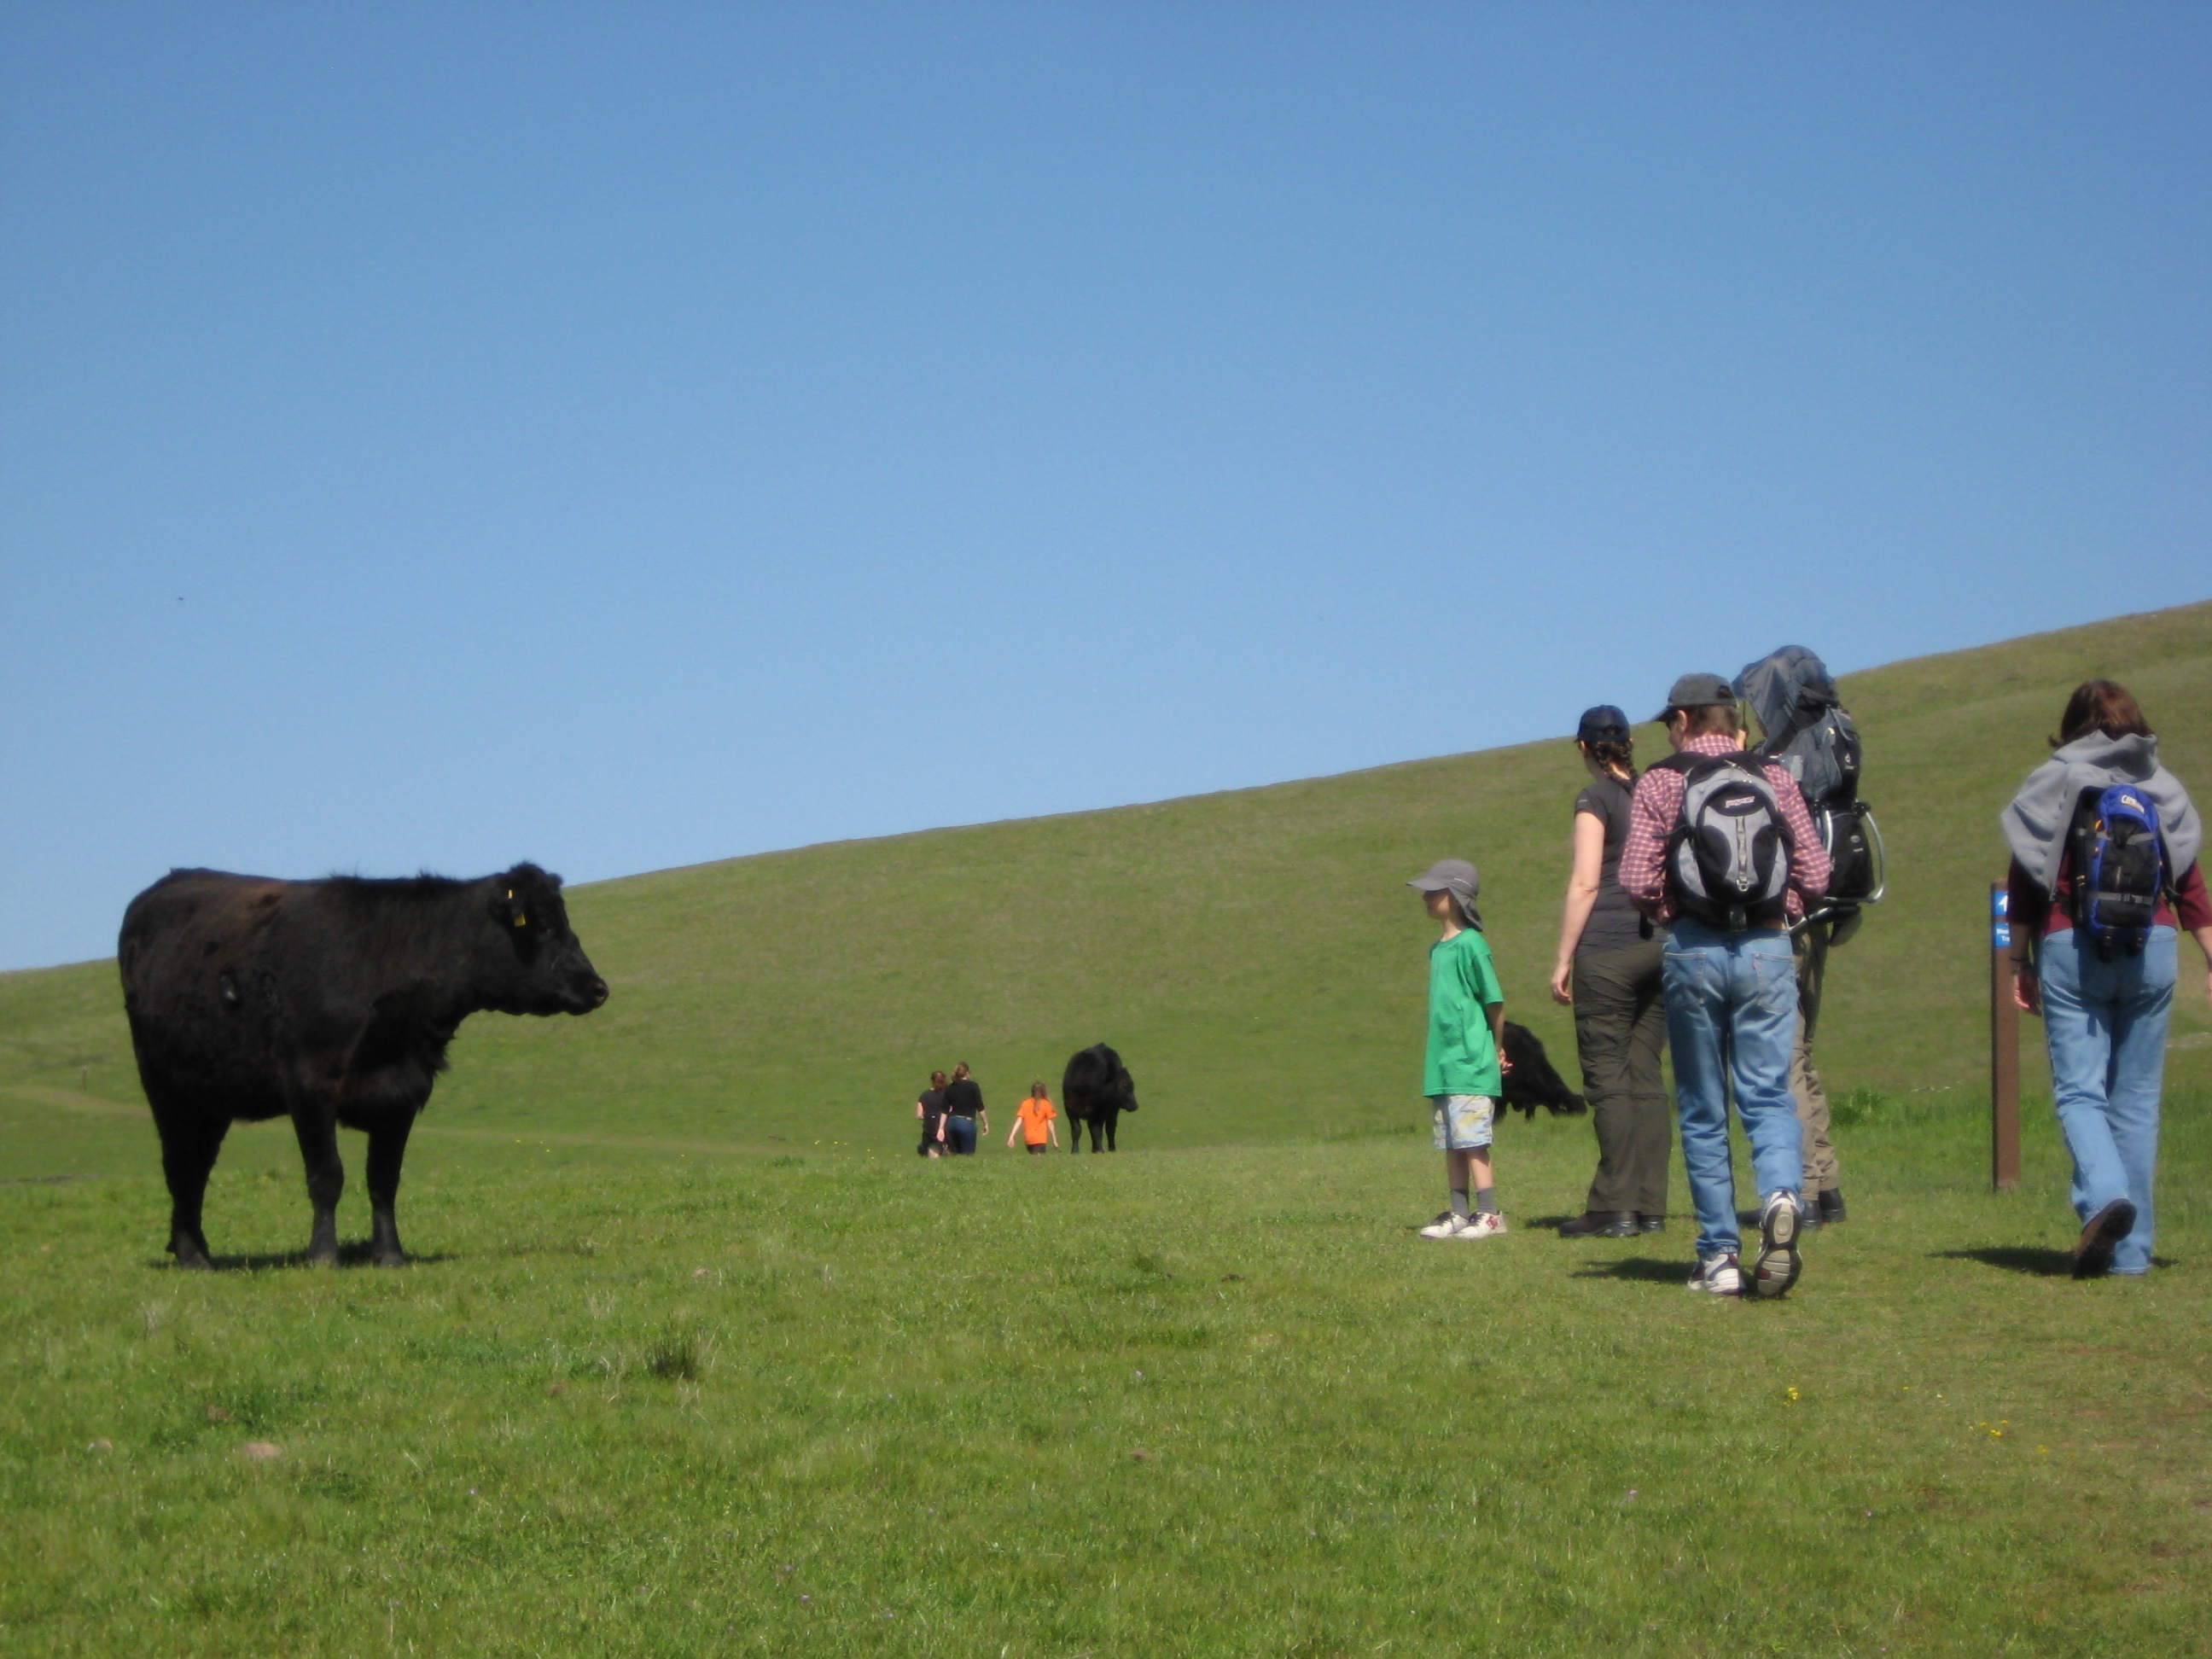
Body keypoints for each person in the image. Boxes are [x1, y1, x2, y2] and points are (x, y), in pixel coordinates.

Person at [1621, 673, 1830, 1297]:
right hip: (1768, 947)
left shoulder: (1662, 780)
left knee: (1703, 1107)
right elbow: (1817, 874)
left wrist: (1673, 911)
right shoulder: (1774, 778)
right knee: (1768, 1095)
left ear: (1684, 721)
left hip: (1695, 949)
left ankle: (1718, 1256)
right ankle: (1783, 1195)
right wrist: (1778, 908)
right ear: (1731, 719)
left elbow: (1636, 878)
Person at [2003, 680, 2212, 1278]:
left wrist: (2019, 962)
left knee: (2079, 1090)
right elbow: (2190, 883)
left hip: (2072, 942)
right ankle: (2133, 1254)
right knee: (2138, 1100)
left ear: (2071, 726)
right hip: (2156, 945)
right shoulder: (2160, 784)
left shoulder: (2052, 781)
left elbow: (2024, 879)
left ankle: (2105, 1197)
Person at [1736, 645, 1876, 1230]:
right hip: (1827, 910)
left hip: (1786, 917)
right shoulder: (1834, 732)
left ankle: (1803, 1193)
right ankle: (1826, 1183)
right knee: (1801, 1049)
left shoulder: (1781, 756)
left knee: (1780, 1053)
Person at [1548, 705, 1670, 1238]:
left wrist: (1563, 958)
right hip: (1662, 945)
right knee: (1646, 1075)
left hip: (1609, 949)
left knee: (1607, 1078)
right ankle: (1651, 1206)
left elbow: (1586, 882)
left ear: (1583, 749)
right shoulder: (1653, 792)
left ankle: (1612, 1207)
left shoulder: (1594, 798)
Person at [1406, 859, 1512, 1240]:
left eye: (1433, 891)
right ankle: (1458, 1213)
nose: (1425, 897)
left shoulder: (1472, 945)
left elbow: (1494, 1002)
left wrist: (1495, 1048)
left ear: (1454, 897)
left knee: (1473, 1143)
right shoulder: (1438, 949)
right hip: (1444, 1066)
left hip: (1471, 1063)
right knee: (1452, 1143)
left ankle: (1489, 1214)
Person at [941, 1062, 987, 1155]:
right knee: (968, 1155)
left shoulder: (950, 1088)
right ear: (967, 1073)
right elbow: (980, 1106)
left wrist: (941, 1128)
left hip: (952, 1123)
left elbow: (944, 1110)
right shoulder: (972, 1086)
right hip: (966, 1122)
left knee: (954, 1154)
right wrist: (985, 1123)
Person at [1009, 1082, 1059, 1154]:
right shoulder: (1046, 1104)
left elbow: (1019, 1121)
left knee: (1034, 1157)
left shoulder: (1025, 1103)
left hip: (1029, 1140)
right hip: (1040, 1139)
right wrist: (1054, 1140)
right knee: (1039, 1161)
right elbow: (1050, 1123)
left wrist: (1012, 1136)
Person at [916, 1070, 949, 1158]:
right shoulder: (948, 1094)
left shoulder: (924, 1095)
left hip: (930, 1128)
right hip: (946, 1126)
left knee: (932, 1151)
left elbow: (919, 1115)